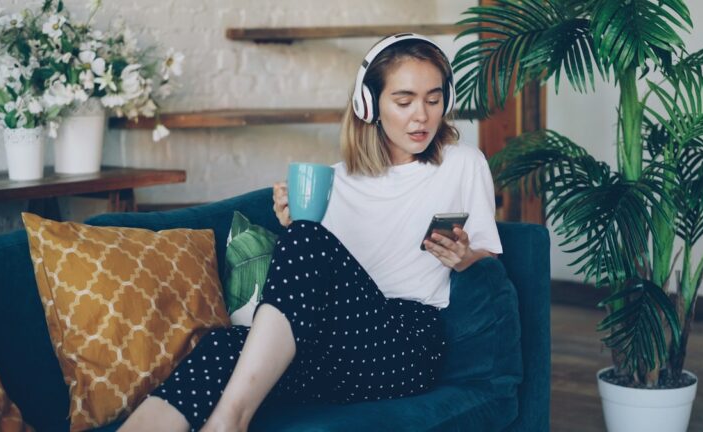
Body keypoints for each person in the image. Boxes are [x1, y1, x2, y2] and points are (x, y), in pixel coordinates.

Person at [119, 33, 502, 432]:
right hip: (334, 346)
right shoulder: (336, 181)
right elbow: (312, 288)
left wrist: (466, 257)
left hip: (405, 345)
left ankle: (228, 423)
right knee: (221, 347)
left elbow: (489, 259)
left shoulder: (463, 164)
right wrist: (293, 228)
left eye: (434, 99)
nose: (421, 115)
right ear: (368, 105)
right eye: (404, 101)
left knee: (306, 239)